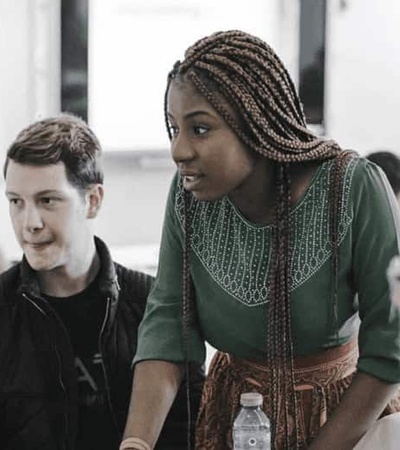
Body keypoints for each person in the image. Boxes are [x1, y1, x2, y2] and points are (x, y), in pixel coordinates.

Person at [120, 30, 400, 450]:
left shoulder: (353, 187)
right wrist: (136, 444)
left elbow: (391, 345)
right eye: (174, 128)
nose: (179, 150)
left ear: (256, 125)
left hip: (347, 424)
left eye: (199, 129)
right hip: (235, 418)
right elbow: (168, 327)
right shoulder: (187, 198)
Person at [0, 114, 204, 450]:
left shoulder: (156, 306)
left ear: (92, 200)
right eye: (16, 202)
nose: (29, 222)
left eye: (47, 200)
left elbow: (193, 429)